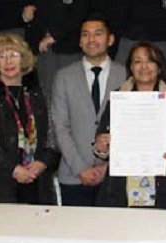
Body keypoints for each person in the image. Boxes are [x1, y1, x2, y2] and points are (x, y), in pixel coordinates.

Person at [94, 42, 166, 209]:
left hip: (164, 189)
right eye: (137, 61)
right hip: (121, 189)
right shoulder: (118, 100)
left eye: (150, 61)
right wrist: (102, 146)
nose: (144, 66)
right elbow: (102, 142)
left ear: (159, 68)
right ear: (130, 67)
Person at [0, 33, 59, 204]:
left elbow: (52, 138)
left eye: (14, 55)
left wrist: (42, 163)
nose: (8, 61)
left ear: (23, 59)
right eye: (2, 56)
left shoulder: (38, 95)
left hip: (37, 182)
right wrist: (13, 168)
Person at [50, 17, 127, 206]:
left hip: (115, 175)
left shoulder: (126, 74)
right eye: (85, 34)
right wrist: (80, 168)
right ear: (79, 41)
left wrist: (107, 166)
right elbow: (60, 127)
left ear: (110, 40)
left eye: (98, 33)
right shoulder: (63, 76)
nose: (91, 39)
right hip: (73, 174)